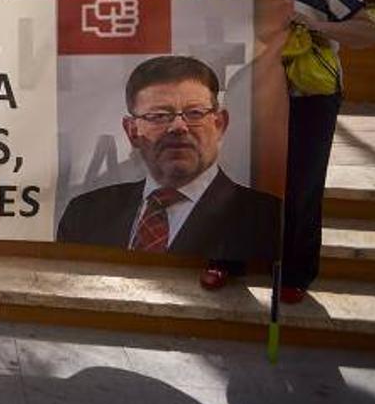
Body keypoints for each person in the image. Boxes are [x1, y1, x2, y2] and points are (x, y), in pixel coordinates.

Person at [201, 0, 375, 301]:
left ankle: (297, 270)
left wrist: (311, 24)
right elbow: (196, 13)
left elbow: (366, 32)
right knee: (230, 178)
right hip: (242, 95)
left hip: (305, 99)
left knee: (301, 183)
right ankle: (226, 257)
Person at [56, 56, 280, 264]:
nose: (178, 127)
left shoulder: (273, 223)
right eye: (159, 116)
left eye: (195, 113)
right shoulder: (85, 215)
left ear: (219, 124)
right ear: (132, 131)